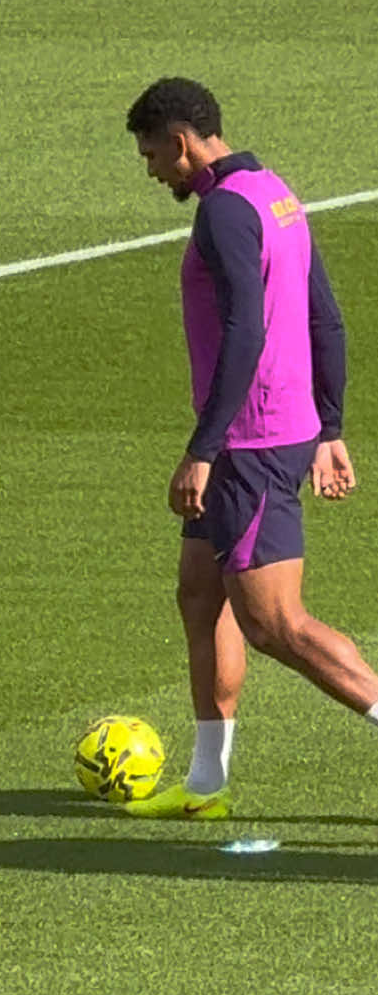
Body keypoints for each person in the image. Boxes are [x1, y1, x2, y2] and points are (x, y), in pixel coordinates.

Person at [124, 78, 378, 817]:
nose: (151, 172)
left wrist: (204, 448)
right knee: (201, 595)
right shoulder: (275, 195)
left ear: (181, 142)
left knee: (274, 623)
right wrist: (329, 427)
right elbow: (325, 318)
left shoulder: (225, 211)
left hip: (249, 442)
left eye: (151, 155)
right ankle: (207, 783)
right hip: (272, 430)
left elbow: (246, 330)